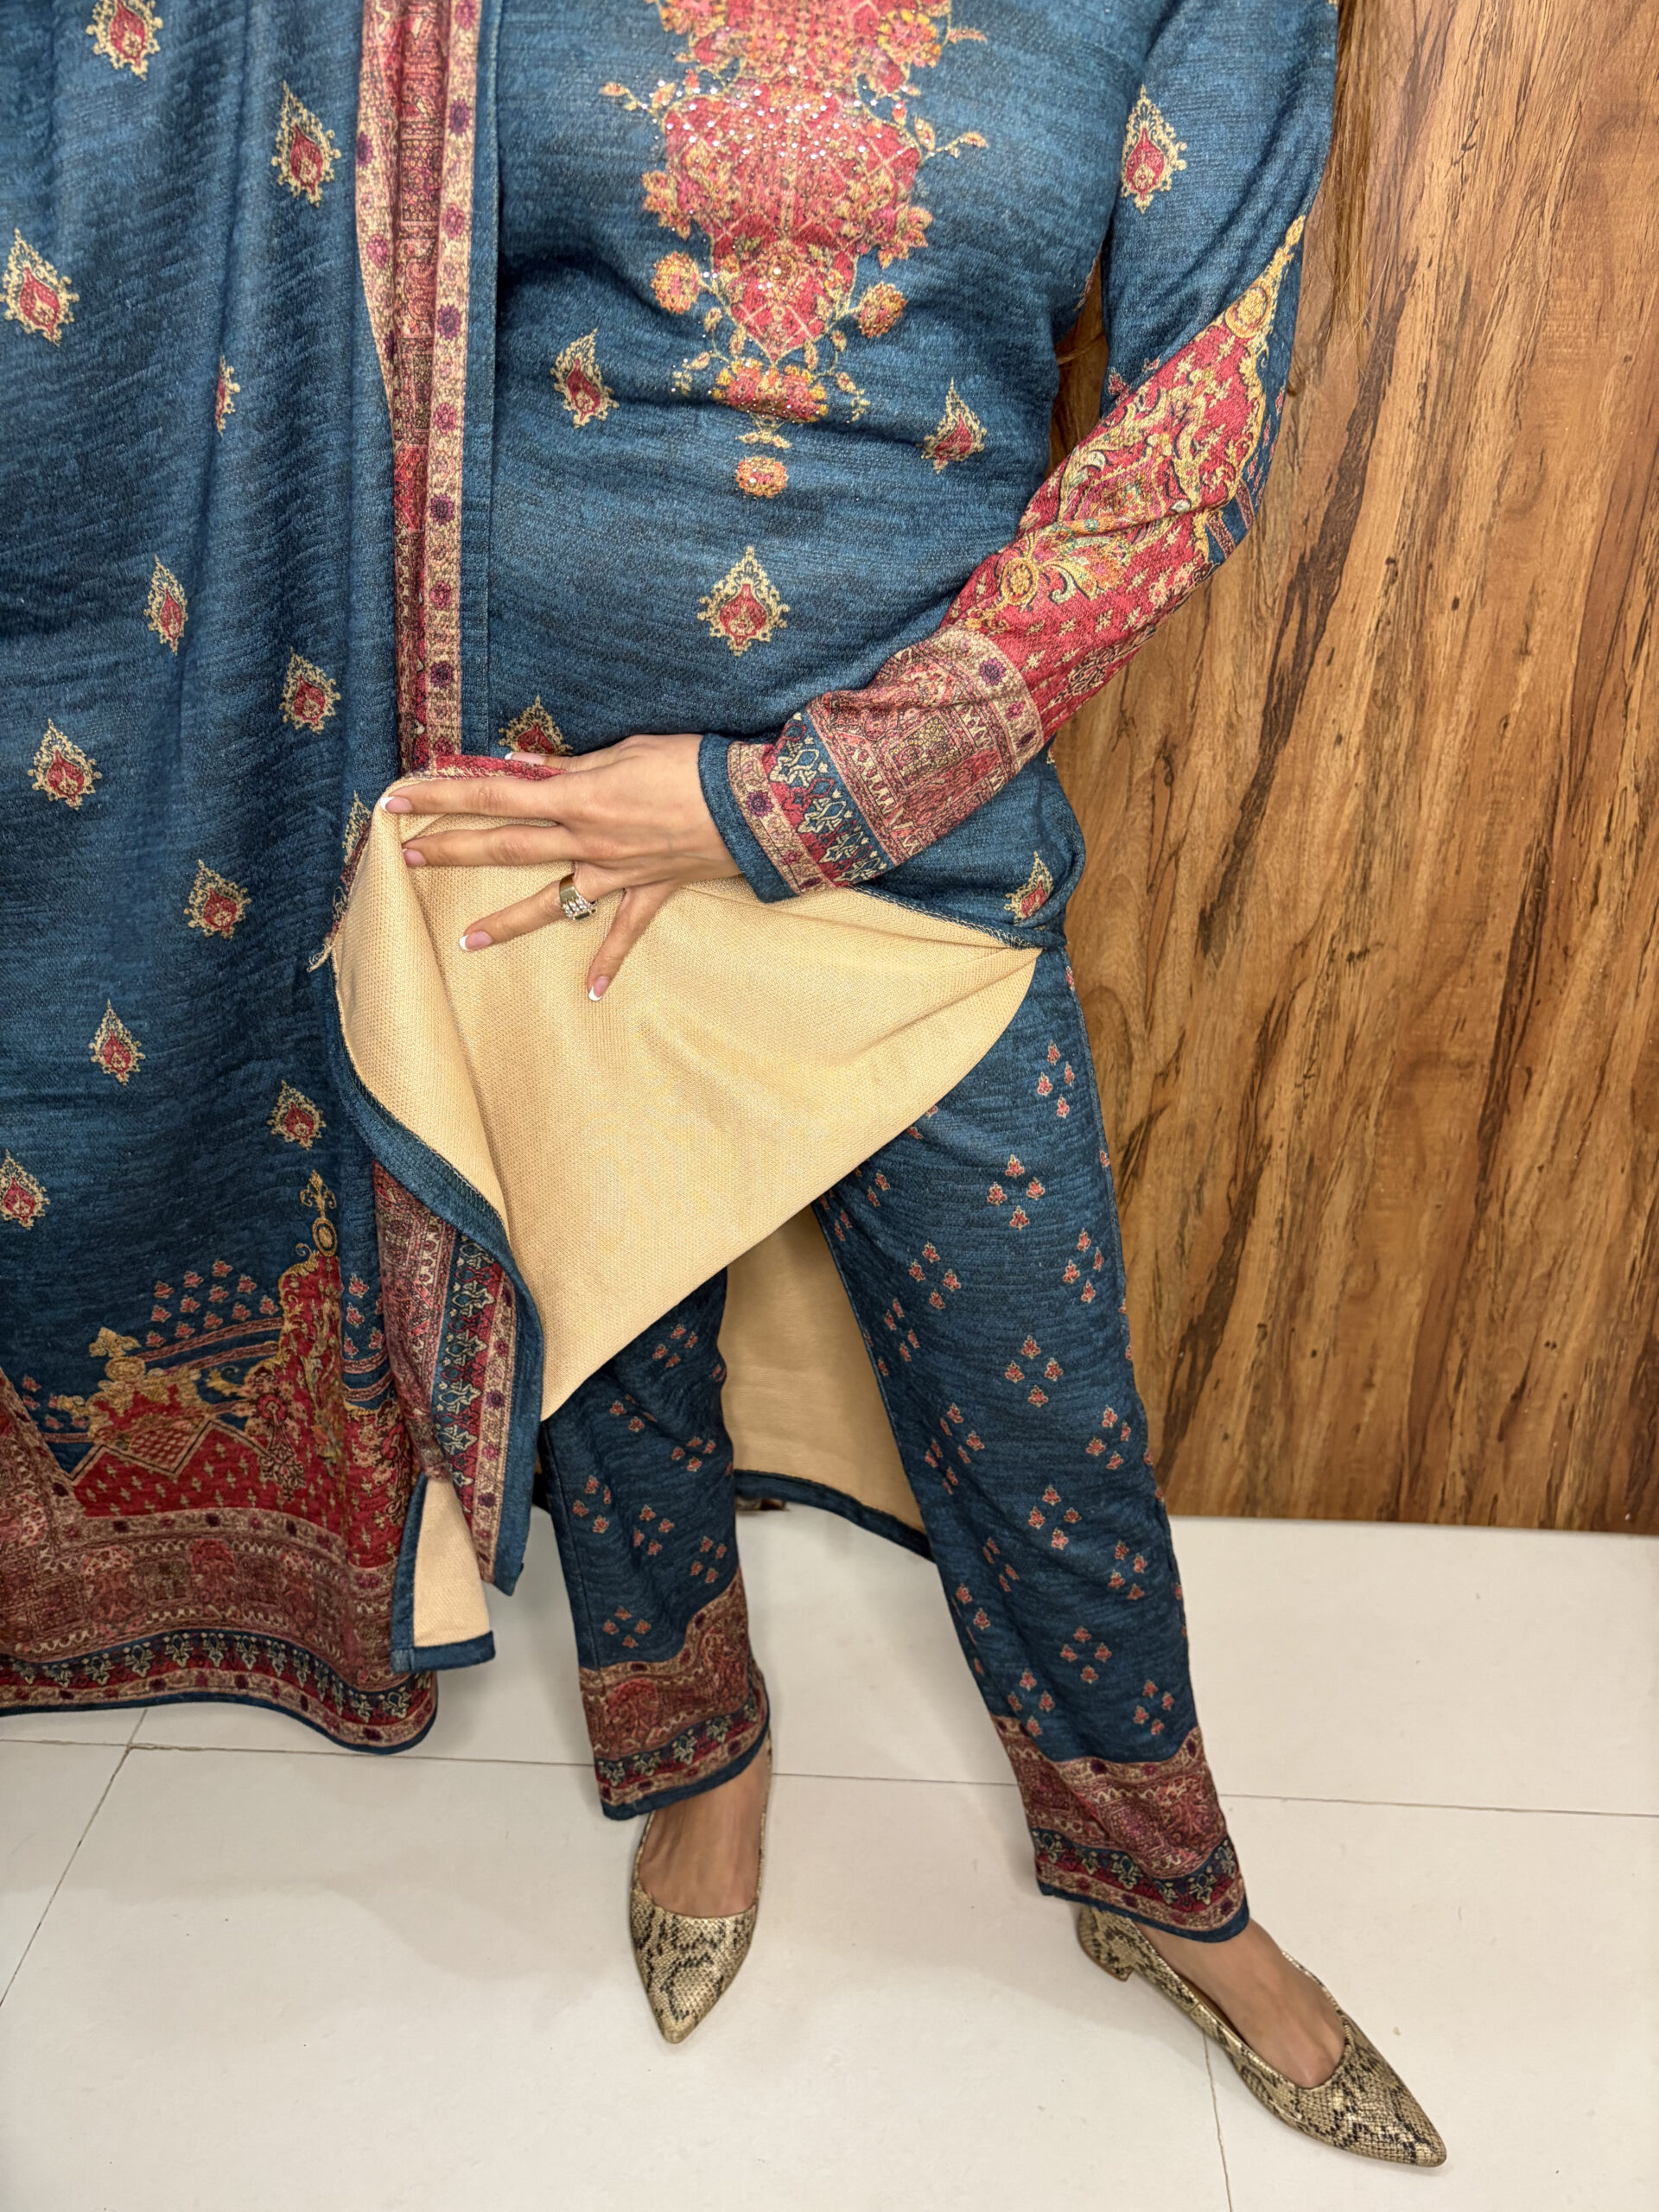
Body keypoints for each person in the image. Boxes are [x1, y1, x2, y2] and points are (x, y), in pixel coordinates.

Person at [0, 0, 1442, 2167]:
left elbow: (1192, 430)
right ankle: (698, 1755)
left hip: (906, 833)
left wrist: (790, 804)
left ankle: (1168, 1884)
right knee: (622, 1316)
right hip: (536, 775)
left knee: (1038, 1397)